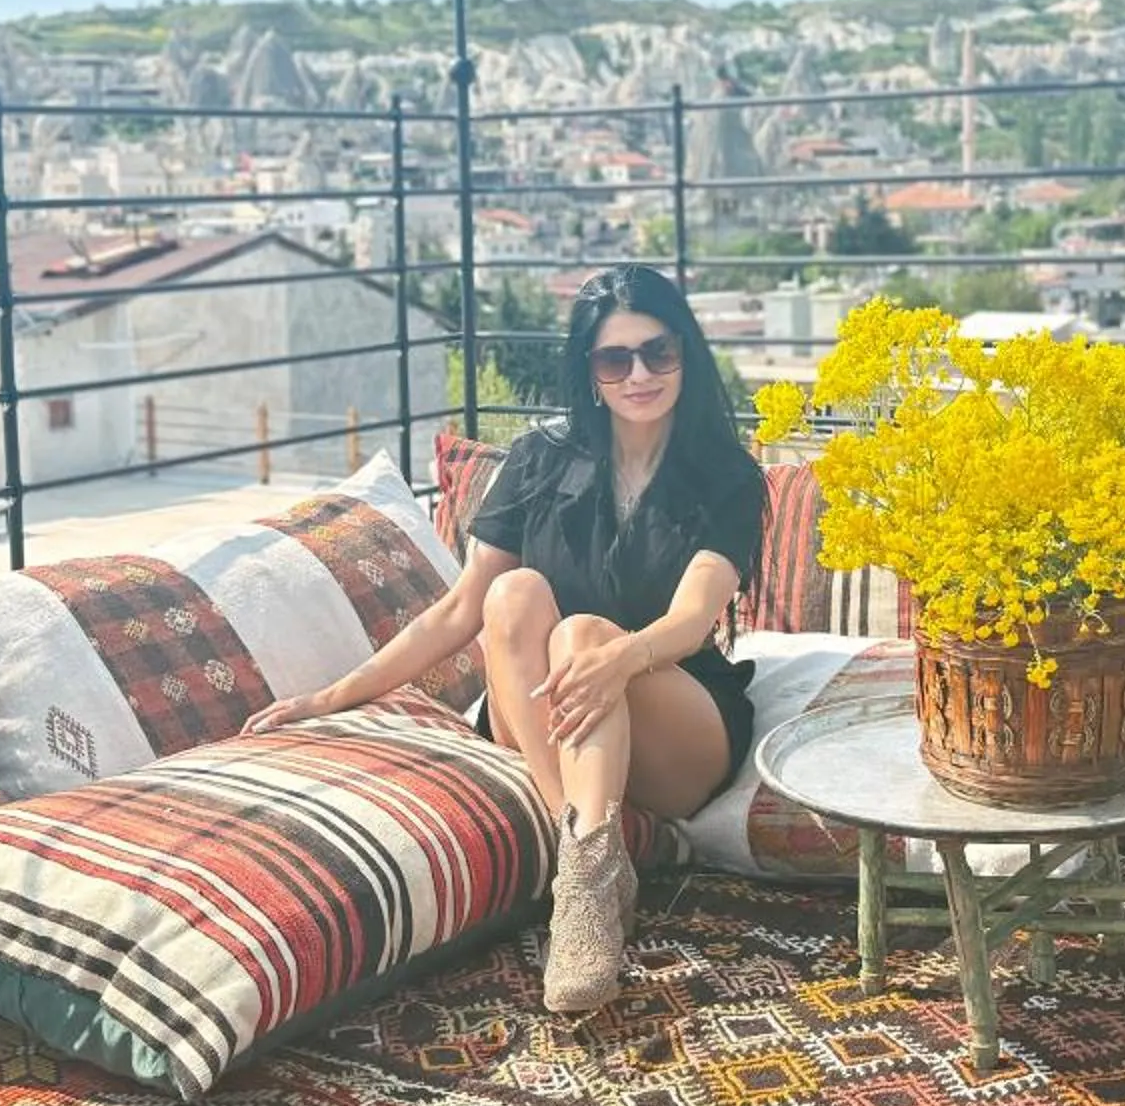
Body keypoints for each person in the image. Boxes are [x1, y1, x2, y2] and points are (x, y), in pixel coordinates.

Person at [246, 263, 767, 1013]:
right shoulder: (537, 461)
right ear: (589, 371)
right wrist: (332, 695)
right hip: (547, 719)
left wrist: (615, 658)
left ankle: (583, 872)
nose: (640, 374)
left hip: (674, 726)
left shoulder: (727, 478)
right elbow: (460, 613)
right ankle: (588, 866)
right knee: (514, 592)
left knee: (584, 632)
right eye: (615, 358)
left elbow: (690, 621)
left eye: (659, 352)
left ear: (686, 353)